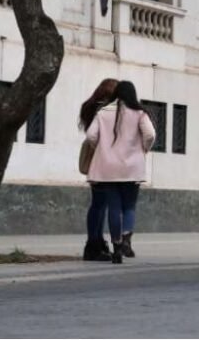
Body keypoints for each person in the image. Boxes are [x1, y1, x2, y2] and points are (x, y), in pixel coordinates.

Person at [85, 80, 156, 264]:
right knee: (129, 206)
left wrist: (102, 149)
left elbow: (91, 136)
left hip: (107, 169)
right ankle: (126, 239)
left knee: (114, 208)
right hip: (132, 168)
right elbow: (150, 135)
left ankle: (116, 248)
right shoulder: (140, 113)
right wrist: (143, 149)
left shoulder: (103, 112)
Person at [79, 78, 118, 261]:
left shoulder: (91, 108)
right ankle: (93, 244)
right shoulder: (105, 112)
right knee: (100, 204)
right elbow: (94, 136)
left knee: (99, 203)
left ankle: (97, 241)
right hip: (104, 162)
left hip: (97, 162)